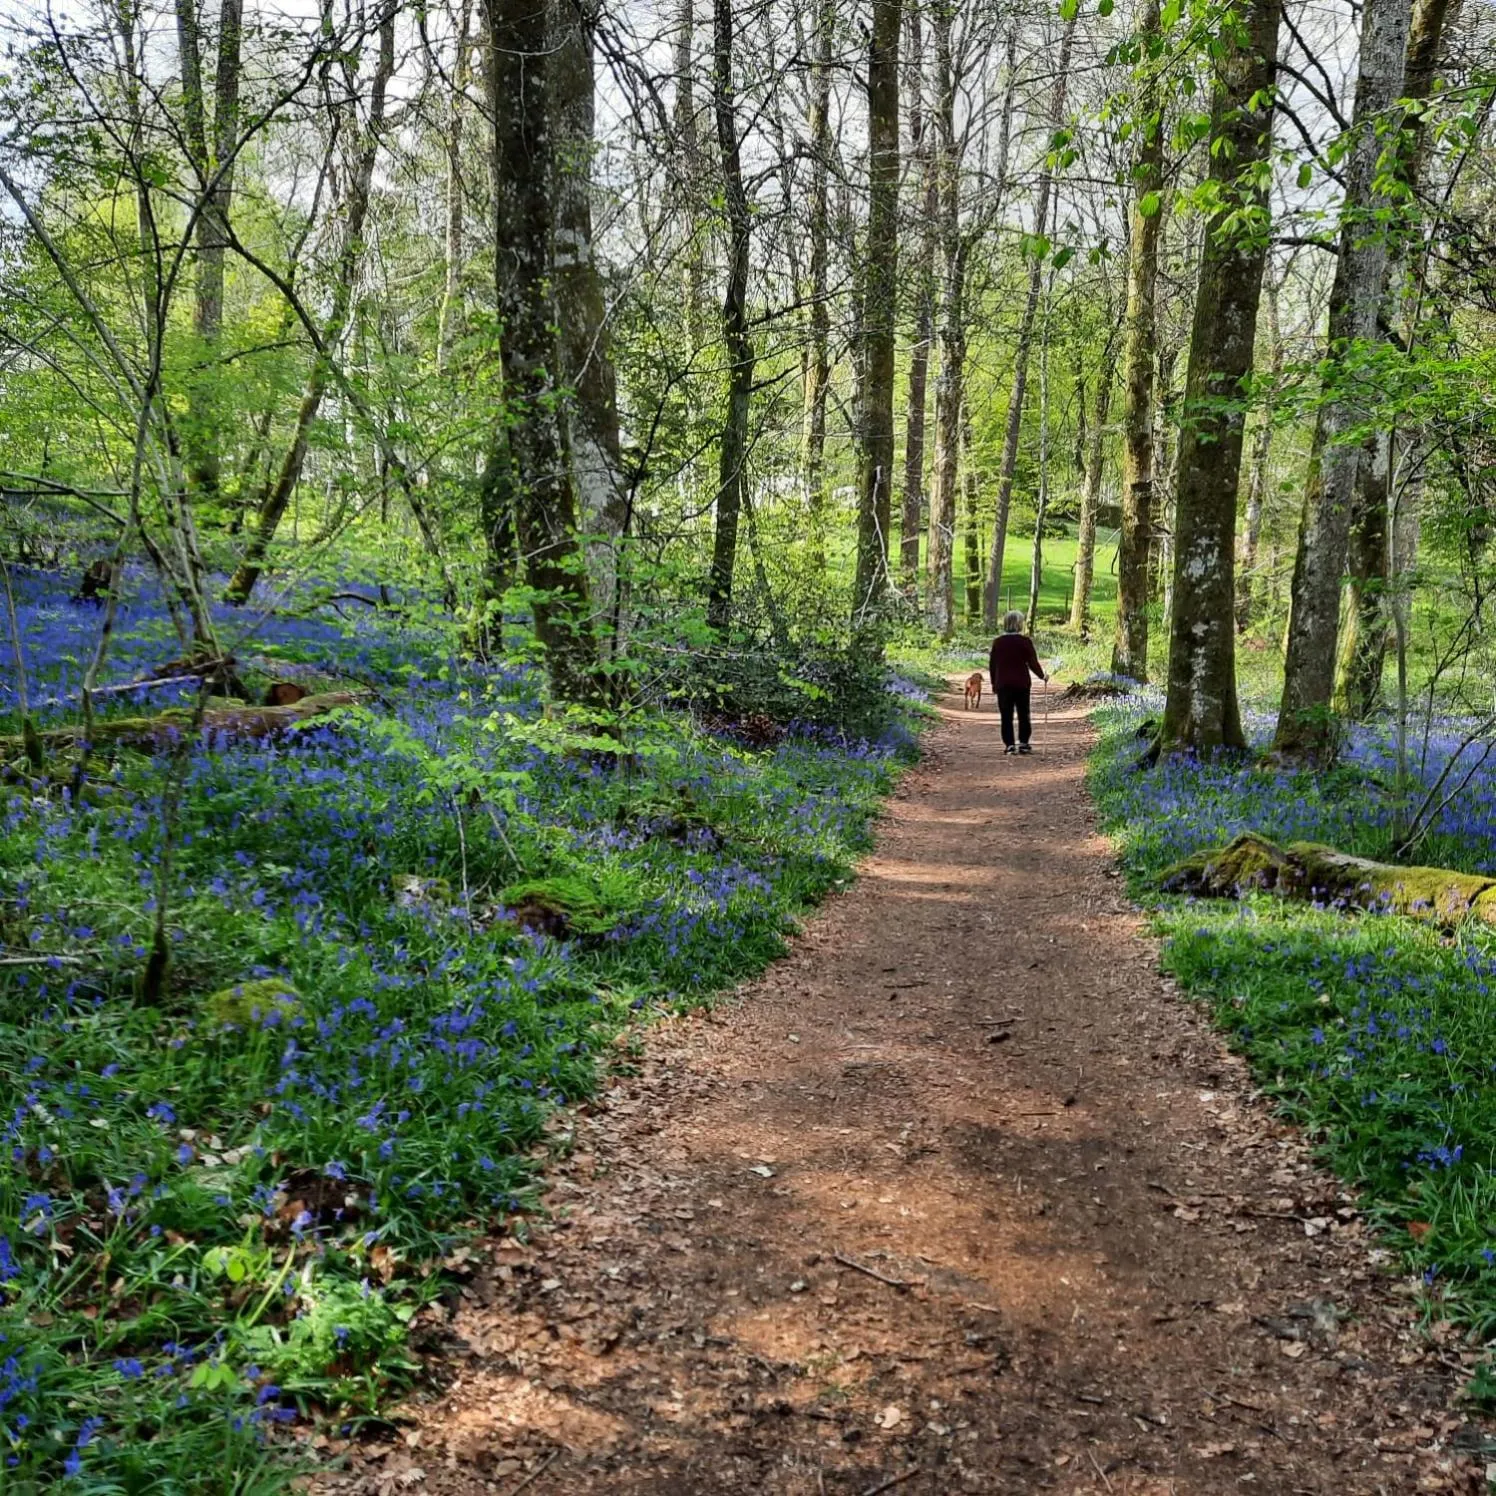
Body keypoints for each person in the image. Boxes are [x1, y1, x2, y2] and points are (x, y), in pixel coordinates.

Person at [988, 611, 1048, 755]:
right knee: (1023, 713)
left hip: (1003, 684)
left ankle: (1009, 744)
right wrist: (1042, 676)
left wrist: (994, 683)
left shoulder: (998, 642)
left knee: (1006, 715)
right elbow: (1032, 662)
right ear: (1019, 624)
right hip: (1021, 683)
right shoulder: (1025, 641)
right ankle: (1023, 743)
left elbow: (993, 665)